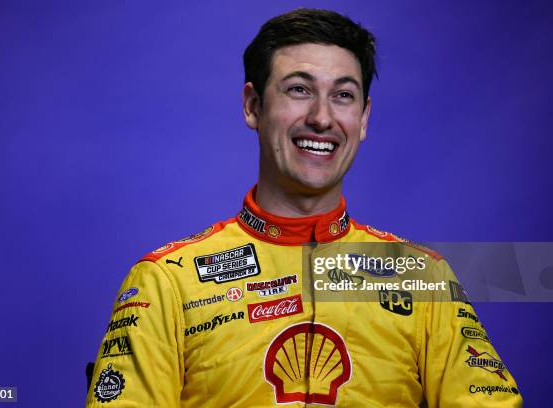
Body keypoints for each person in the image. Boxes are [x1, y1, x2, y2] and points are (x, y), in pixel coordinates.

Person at [86, 8, 522, 407]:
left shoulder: (425, 278)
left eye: (343, 96)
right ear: (253, 106)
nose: (321, 117)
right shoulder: (165, 283)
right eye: (299, 89)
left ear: (364, 119)